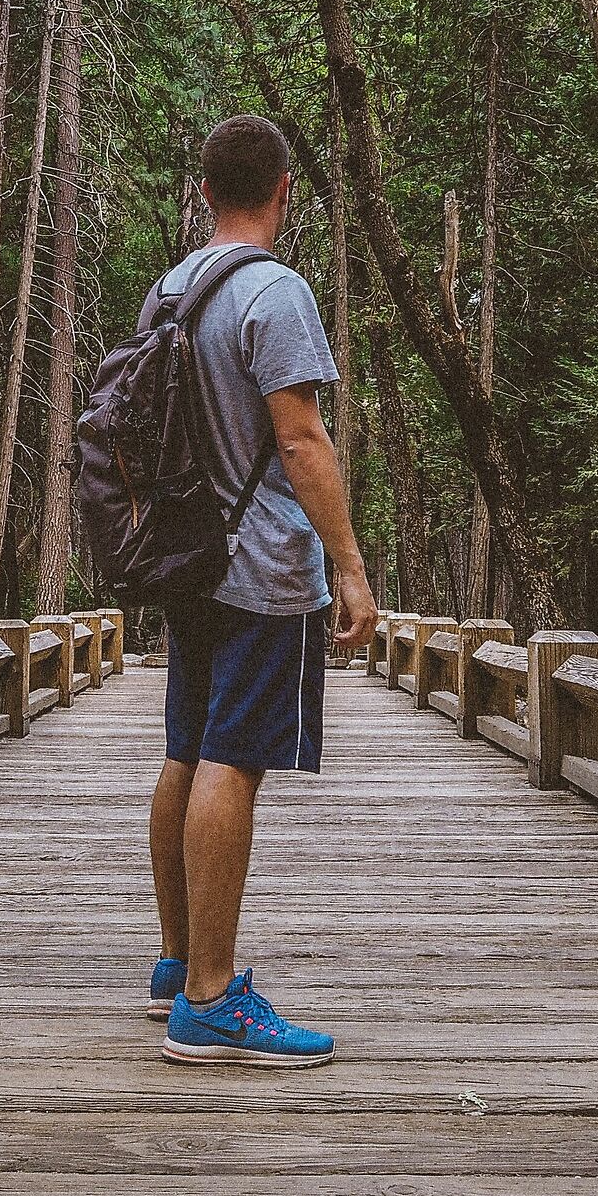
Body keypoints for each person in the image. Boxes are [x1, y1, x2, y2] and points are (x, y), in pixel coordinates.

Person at [145, 115, 377, 1067]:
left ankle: (174, 961)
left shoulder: (172, 289)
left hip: (187, 557)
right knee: (232, 760)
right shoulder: (275, 292)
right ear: (286, 189)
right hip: (262, 565)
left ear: (204, 192)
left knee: (187, 749)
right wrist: (351, 565)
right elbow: (300, 439)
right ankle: (208, 999)